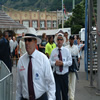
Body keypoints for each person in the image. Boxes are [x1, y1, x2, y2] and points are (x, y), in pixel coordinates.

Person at [16, 32, 56, 100]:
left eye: (29, 40)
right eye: (25, 40)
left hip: (40, 98)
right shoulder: (21, 61)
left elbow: (50, 82)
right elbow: (19, 84)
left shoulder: (43, 59)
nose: (27, 43)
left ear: (35, 42)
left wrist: (51, 98)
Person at [50, 33, 72, 100]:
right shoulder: (53, 51)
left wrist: (63, 64)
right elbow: (49, 62)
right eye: (58, 39)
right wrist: (55, 63)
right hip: (57, 75)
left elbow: (70, 62)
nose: (59, 41)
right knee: (57, 95)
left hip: (64, 75)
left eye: (61, 39)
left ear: (63, 41)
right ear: (56, 41)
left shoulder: (67, 51)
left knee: (65, 94)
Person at [66, 35, 80, 100]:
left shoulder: (76, 47)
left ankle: (72, 97)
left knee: (73, 81)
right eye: (71, 39)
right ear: (69, 40)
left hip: (74, 65)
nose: (72, 40)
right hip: (68, 66)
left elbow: (78, 56)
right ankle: (70, 94)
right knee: (68, 82)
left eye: (72, 39)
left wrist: (78, 64)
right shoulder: (66, 48)